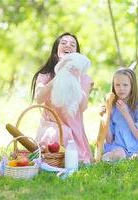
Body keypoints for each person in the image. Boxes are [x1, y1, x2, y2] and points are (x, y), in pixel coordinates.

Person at [31, 32, 93, 164]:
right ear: (56, 51)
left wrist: (75, 77)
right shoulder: (45, 76)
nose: (68, 46)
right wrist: (59, 76)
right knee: (62, 135)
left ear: (77, 53)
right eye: (63, 43)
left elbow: (83, 107)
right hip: (51, 130)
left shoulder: (84, 78)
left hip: (75, 132)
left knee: (76, 159)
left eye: (72, 45)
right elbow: (39, 98)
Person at [100, 68, 138, 162]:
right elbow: (110, 139)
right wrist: (105, 117)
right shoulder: (112, 107)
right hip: (120, 147)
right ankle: (125, 158)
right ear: (113, 86)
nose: (121, 88)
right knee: (119, 154)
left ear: (132, 86)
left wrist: (126, 114)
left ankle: (133, 157)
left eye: (125, 85)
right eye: (117, 85)